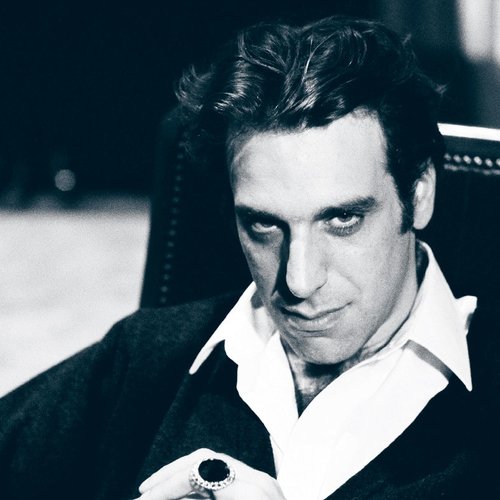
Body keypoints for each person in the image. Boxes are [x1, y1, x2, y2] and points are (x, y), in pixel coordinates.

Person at [0, 15, 499, 500]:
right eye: (264, 224)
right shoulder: (148, 356)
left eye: (343, 219)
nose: (299, 280)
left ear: (420, 194)